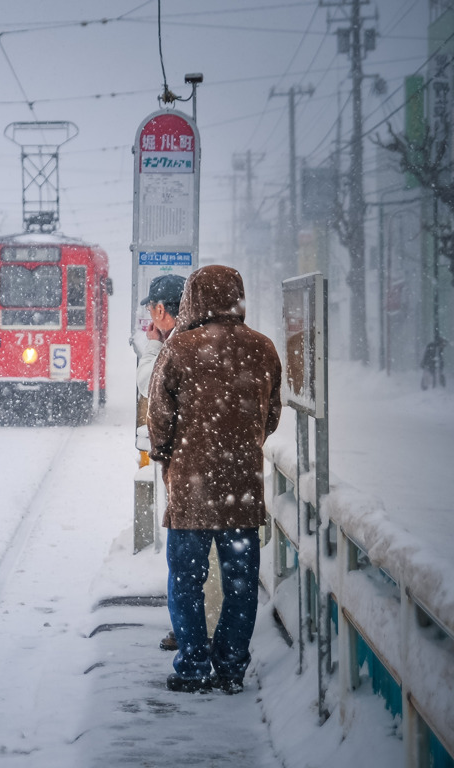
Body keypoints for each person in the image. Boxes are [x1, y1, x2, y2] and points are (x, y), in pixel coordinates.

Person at [147, 265, 282, 695]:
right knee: (240, 584)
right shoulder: (263, 348)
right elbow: (272, 414)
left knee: (186, 579)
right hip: (242, 491)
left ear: (193, 298)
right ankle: (229, 667)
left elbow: (158, 421)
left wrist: (173, 456)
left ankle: (192, 666)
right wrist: (242, 441)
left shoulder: (179, 350)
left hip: (190, 492)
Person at [135, 273, 186, 653]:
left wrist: (151, 348)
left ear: (162, 310)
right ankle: (229, 660)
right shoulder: (236, 341)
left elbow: (150, 391)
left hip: (189, 478)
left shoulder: (175, 347)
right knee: (234, 573)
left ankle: (191, 646)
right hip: (234, 479)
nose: (151, 321)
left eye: (153, 311)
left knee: (185, 568)